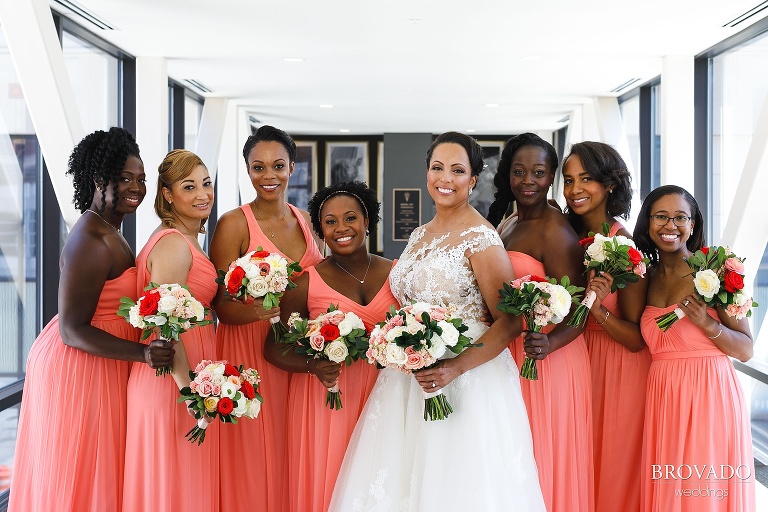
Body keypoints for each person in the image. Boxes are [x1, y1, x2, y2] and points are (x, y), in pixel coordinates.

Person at [330, 132, 545, 512]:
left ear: (473, 179)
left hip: (465, 380)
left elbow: (510, 322)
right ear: (427, 173)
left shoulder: (481, 238)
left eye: (457, 170)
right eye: (437, 168)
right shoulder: (418, 234)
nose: (445, 178)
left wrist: (454, 368)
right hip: (409, 381)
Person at [9, 127, 173, 512]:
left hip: (103, 361)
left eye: (141, 179)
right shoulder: (91, 239)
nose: (136, 187)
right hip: (82, 366)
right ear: (100, 180)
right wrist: (144, 353)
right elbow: (71, 329)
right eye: (125, 178)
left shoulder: (109, 230)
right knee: (81, 474)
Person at [264, 180, 398, 512]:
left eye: (350, 218)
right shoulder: (304, 283)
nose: (342, 228)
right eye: (330, 222)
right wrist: (313, 365)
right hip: (328, 401)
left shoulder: (398, 274)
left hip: (386, 397)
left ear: (367, 222)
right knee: (329, 487)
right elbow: (274, 348)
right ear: (321, 232)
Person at [211, 125, 323, 512]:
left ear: (293, 167)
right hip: (250, 351)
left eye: (278, 165)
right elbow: (218, 305)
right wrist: (254, 311)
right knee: (254, 450)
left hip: (296, 348)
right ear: (247, 169)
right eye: (258, 167)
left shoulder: (307, 220)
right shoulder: (233, 224)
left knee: (292, 446)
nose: (269, 176)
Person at [633, 185, 755, 511]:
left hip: (709, 395)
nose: (670, 226)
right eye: (661, 216)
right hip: (663, 396)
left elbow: (745, 350)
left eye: (680, 217)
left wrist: (707, 324)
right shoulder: (645, 277)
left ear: (693, 224)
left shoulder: (719, 270)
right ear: (647, 222)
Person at [489, 132, 594, 512]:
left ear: (551, 177)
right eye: (519, 172)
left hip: (548, 358)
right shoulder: (510, 221)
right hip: (515, 350)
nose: (528, 181)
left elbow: (581, 308)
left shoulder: (554, 229)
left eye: (538, 172)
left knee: (540, 453)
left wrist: (550, 343)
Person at [122, 149, 219, 511]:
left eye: (206, 184)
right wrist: (191, 393)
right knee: (174, 490)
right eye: (189, 187)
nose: (202, 194)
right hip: (172, 382)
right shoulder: (174, 245)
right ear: (168, 194)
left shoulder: (185, 238)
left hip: (184, 376)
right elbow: (167, 329)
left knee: (184, 487)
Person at [561, 141, 651, 512]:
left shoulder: (623, 246)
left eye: (586, 179)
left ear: (610, 184)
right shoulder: (561, 232)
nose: (575, 189)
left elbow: (635, 339)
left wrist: (597, 311)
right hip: (569, 361)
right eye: (568, 180)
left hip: (615, 369)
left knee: (608, 470)